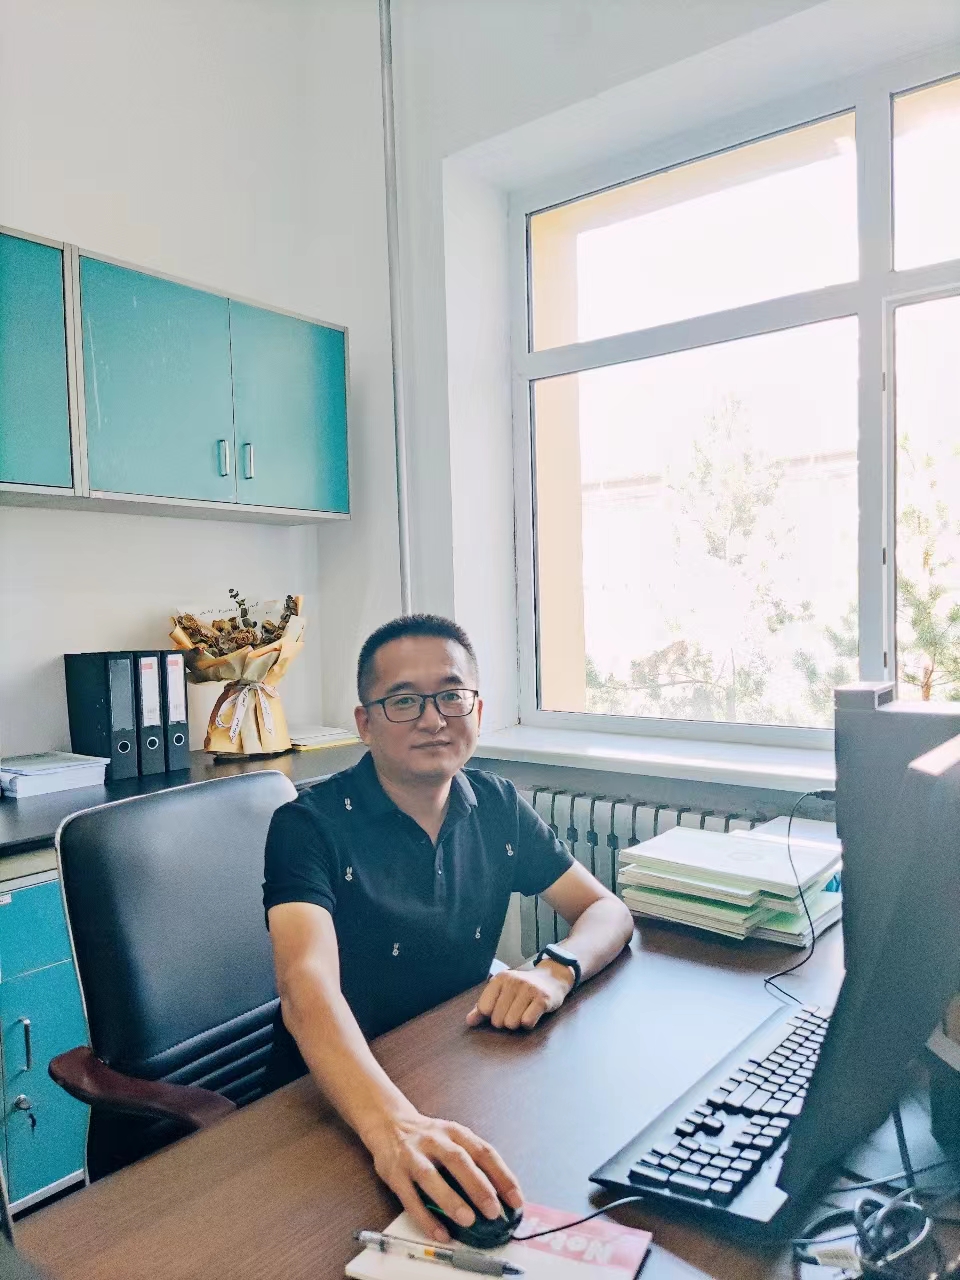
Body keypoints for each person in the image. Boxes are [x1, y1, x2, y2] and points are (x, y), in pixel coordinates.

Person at [263, 614, 633, 1242]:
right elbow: (306, 987)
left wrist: (556, 970)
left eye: (451, 695)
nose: (433, 719)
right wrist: (393, 1128)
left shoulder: (495, 805)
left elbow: (607, 911)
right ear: (365, 723)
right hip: (331, 1098)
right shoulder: (308, 826)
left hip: (449, 1062)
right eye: (403, 700)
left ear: (477, 710)